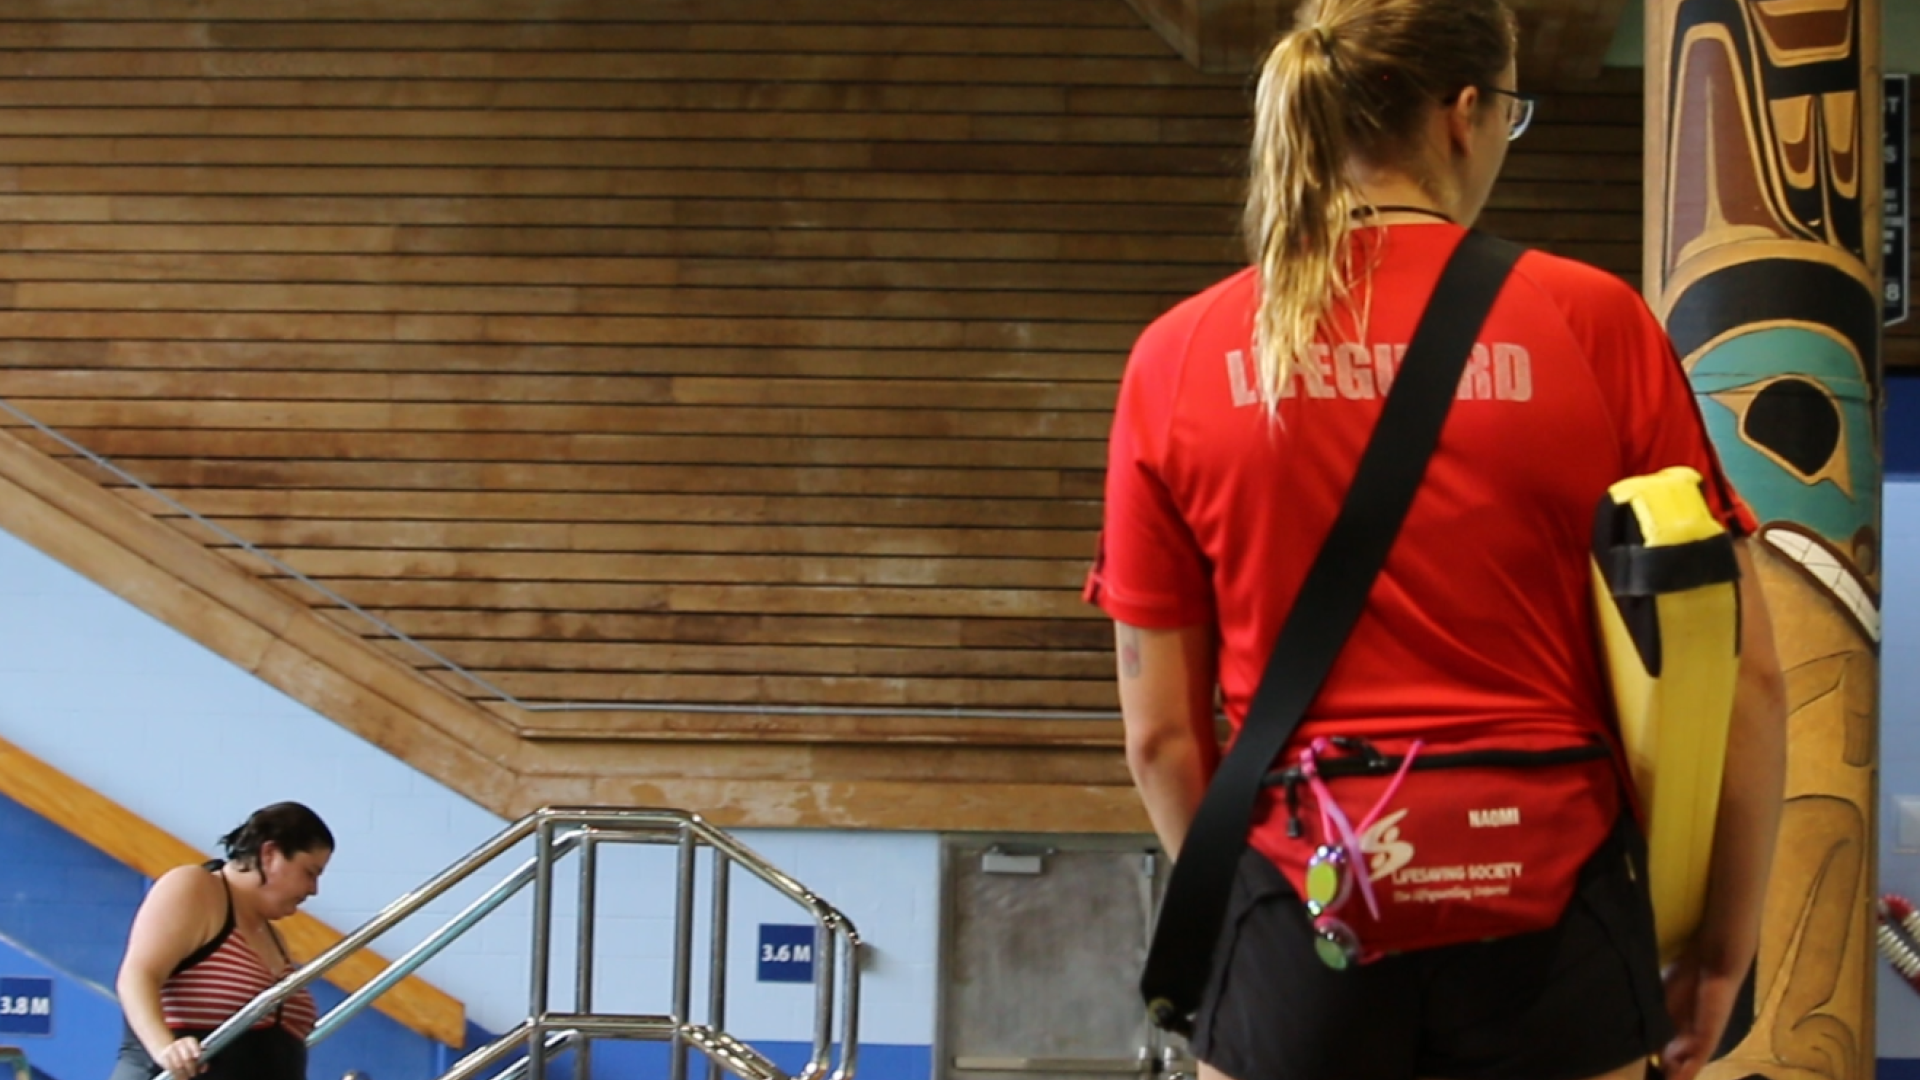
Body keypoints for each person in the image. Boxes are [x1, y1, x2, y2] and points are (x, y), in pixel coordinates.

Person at [1083, 3, 1788, 1080]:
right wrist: (1719, 951)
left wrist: (1265, 915)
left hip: (1303, 901)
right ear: (1465, 115)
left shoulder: (1177, 357)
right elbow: (1746, 684)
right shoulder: (1594, 323)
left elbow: (1162, 742)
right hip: (1558, 910)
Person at [112, 803, 333, 1080]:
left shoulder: (273, 938)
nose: (313, 890)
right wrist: (164, 1049)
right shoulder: (195, 888)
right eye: (310, 873)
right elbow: (137, 975)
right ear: (270, 854)